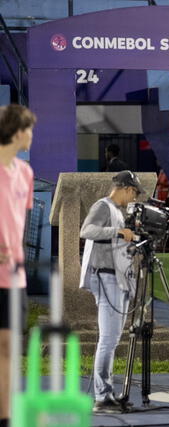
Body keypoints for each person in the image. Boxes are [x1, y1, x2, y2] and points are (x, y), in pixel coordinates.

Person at [80, 170, 142, 411]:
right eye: (134, 192)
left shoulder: (117, 211)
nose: (134, 197)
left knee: (112, 338)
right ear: (127, 188)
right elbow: (87, 230)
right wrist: (117, 232)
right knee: (108, 339)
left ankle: (105, 392)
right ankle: (102, 396)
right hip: (105, 276)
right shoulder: (103, 206)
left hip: (115, 276)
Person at [0, 104, 35, 425]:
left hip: (14, 278)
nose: (32, 137)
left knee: (10, 349)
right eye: (30, 130)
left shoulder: (25, 172)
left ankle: (6, 417)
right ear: (18, 131)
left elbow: (19, 223)